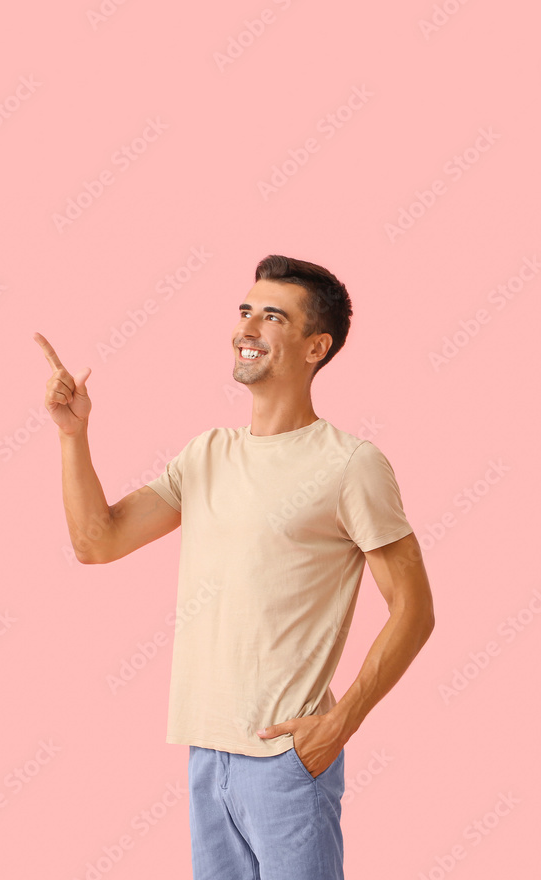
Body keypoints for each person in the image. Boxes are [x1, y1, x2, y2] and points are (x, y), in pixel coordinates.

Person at [33, 254, 434, 879]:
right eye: (245, 310)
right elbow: (97, 541)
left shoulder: (351, 464)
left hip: (286, 758)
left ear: (315, 346)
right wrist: (71, 435)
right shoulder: (207, 454)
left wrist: (338, 724)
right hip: (205, 750)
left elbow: (414, 609)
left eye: (273, 316)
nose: (247, 327)